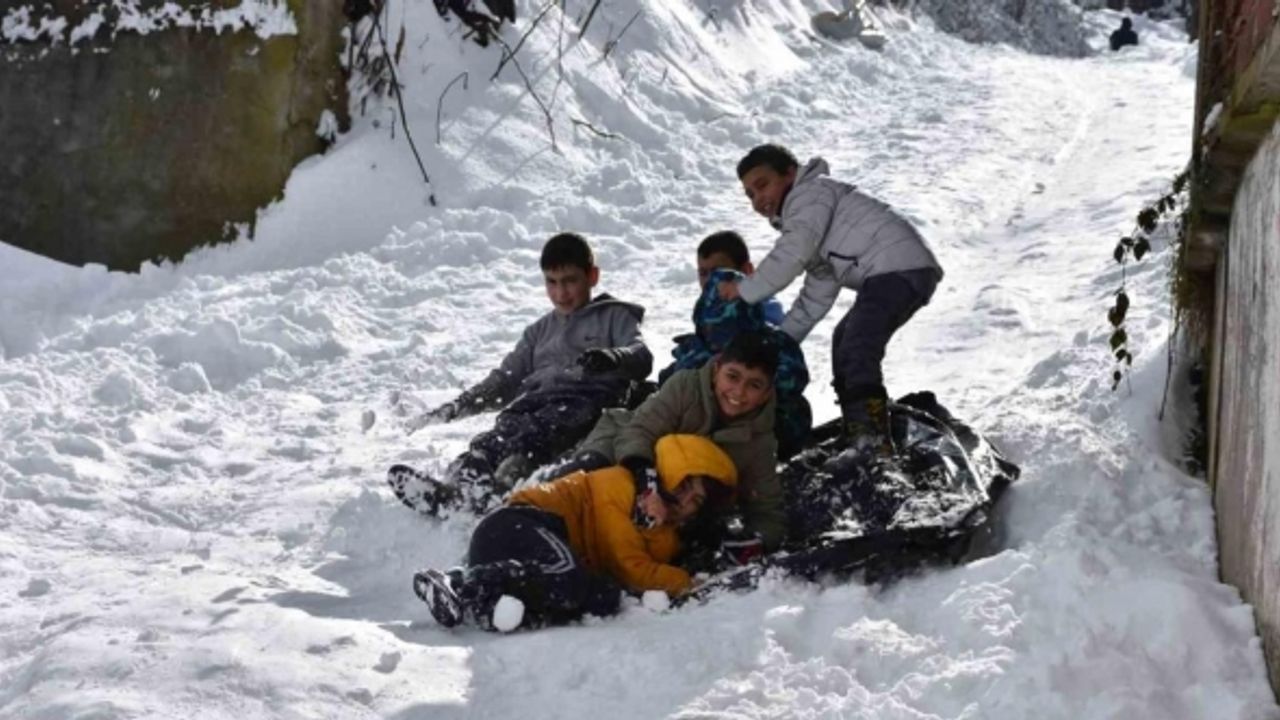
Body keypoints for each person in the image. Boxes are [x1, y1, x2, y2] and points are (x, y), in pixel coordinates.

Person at [394, 232, 653, 515]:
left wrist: (613, 358)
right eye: (551, 283)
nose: (561, 293)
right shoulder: (538, 331)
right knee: (495, 438)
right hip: (534, 402)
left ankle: (501, 490)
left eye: (570, 281)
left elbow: (641, 355)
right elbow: (505, 379)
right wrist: (457, 406)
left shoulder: (614, 316)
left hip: (584, 401)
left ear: (592, 276)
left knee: (532, 438)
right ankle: (456, 488)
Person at [718, 144, 943, 460]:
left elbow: (791, 254)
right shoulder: (815, 223)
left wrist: (743, 291)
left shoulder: (810, 196)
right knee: (844, 339)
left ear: (790, 174)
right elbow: (816, 293)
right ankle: (857, 425)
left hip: (898, 268)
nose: (758, 200)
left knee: (858, 344)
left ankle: (872, 439)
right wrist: (781, 340)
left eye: (762, 184)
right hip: (895, 272)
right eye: (750, 195)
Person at [413, 434, 738, 631]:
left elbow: (630, 571)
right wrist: (691, 583)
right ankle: (458, 583)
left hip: (536, 562)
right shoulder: (621, 484)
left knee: (604, 597)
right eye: (683, 486)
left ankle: (498, 610)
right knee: (570, 577)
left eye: (695, 500)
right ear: (666, 474)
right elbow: (630, 567)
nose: (684, 502)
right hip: (516, 525)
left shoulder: (665, 531)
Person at [571, 331, 787, 559]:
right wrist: (647, 484)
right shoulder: (686, 386)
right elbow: (638, 432)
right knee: (585, 484)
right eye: (732, 377)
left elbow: (768, 511)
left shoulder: (760, 441)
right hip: (624, 448)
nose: (739, 392)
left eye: (754, 385)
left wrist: (754, 543)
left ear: (766, 393)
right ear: (716, 371)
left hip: (676, 499)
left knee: (683, 540)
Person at [659, 231, 812, 458]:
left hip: (757, 438)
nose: (713, 281)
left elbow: (791, 380)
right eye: (704, 273)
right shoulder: (704, 329)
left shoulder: (769, 332)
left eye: (720, 271)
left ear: (746, 271)